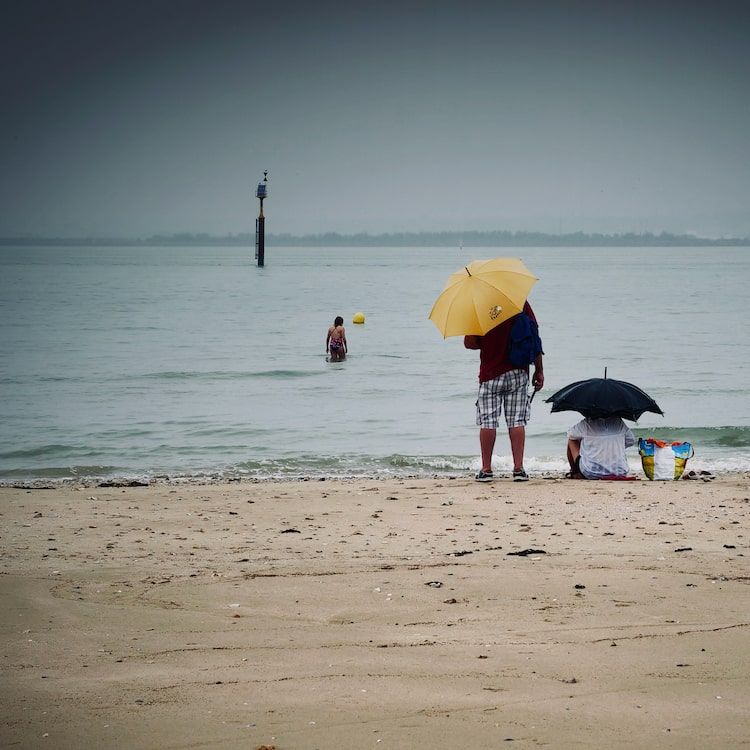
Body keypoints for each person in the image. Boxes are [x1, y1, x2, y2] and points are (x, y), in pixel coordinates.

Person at [464, 302, 544, 482]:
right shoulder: (518, 301)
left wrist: (487, 340)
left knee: (488, 421)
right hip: (518, 370)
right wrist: (539, 370)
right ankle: (518, 469)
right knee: (516, 420)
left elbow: (469, 343)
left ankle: (486, 469)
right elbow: (534, 336)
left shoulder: (479, 305)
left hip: (490, 373)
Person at [566, 416, 635, 479]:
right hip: (620, 471)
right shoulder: (619, 422)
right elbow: (631, 440)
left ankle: (575, 471)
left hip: (590, 472)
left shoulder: (587, 423)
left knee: (571, 440)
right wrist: (611, 449)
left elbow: (570, 434)